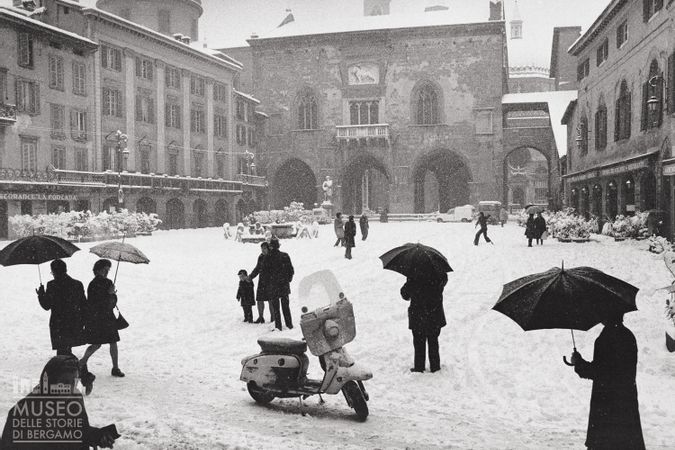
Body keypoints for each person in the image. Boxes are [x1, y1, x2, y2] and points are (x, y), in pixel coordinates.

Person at [1, 355, 120, 449]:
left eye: (74, 381)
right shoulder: (24, 411)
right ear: (50, 381)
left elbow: (78, 431)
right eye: (64, 381)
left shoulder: (74, 398)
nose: (69, 387)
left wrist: (97, 436)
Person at [570, 312, 645, 450]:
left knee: (606, 443)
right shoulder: (628, 335)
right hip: (625, 400)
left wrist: (579, 363)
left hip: (607, 403)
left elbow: (600, 372)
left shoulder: (605, 339)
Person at [80, 259, 124, 382]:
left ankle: (82, 362)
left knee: (100, 343)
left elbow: (94, 303)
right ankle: (114, 368)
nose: (107, 272)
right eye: (105, 269)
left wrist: (111, 294)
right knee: (108, 342)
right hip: (104, 318)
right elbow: (107, 304)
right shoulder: (104, 283)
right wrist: (111, 294)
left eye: (108, 270)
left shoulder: (92, 284)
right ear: (98, 270)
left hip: (96, 318)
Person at [35, 259, 86, 356]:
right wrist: (83, 322)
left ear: (53, 271)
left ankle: (79, 366)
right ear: (65, 269)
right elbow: (84, 305)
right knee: (66, 349)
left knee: (62, 351)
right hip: (74, 321)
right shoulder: (77, 284)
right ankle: (77, 367)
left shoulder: (52, 285)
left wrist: (41, 295)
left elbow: (46, 306)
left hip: (58, 323)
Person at [400, 272, 448, 373]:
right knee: (433, 341)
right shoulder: (439, 274)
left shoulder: (414, 275)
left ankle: (419, 366)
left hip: (418, 315)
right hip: (435, 314)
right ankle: (435, 366)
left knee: (418, 342)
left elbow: (405, 294)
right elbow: (443, 282)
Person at [266, 238, 294, 330]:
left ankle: (278, 326)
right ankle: (289, 324)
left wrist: (269, 283)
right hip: (284, 285)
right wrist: (288, 280)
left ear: (271, 246)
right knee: (286, 306)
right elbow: (291, 270)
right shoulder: (285, 256)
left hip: (273, 285)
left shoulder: (268, 257)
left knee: (276, 308)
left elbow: (265, 273)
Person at [249, 242, 273, 324]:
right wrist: (250, 277)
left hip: (270, 281)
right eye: (262, 249)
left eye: (264, 248)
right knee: (259, 299)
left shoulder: (272, 257)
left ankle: (273, 317)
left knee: (271, 300)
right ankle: (261, 317)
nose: (263, 250)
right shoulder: (261, 257)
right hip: (262, 281)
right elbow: (257, 268)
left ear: (268, 249)